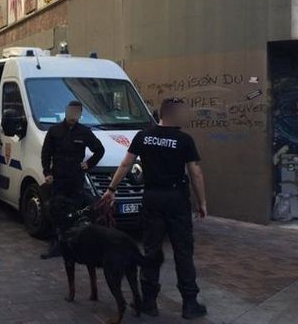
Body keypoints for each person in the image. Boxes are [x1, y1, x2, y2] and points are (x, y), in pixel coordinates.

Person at [102, 97, 208, 320]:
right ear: (171, 115)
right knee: (183, 252)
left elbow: (125, 163)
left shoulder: (143, 136)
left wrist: (111, 189)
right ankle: (189, 304)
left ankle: (148, 302)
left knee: (151, 250)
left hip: (152, 197)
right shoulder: (184, 140)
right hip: (176, 199)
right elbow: (195, 172)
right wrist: (201, 202)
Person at [40, 100, 105, 259]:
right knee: (55, 213)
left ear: (80, 114)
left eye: (77, 113)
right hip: (58, 179)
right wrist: (47, 172)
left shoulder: (84, 132)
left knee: (75, 213)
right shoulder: (54, 131)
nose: (73, 116)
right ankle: (55, 245)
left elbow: (99, 150)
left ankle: (74, 244)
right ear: (67, 112)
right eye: (71, 112)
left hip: (76, 180)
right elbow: (46, 153)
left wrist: (88, 164)